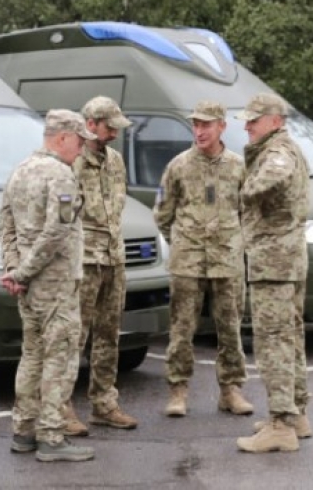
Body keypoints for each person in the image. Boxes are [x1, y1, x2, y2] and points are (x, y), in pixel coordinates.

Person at [0, 109, 96, 462]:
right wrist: (22, 272)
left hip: (29, 286)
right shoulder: (61, 175)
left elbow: (5, 225)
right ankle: (51, 437)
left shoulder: (20, 171)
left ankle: (23, 431)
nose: (82, 149)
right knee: (60, 356)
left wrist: (14, 269)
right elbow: (57, 231)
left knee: (32, 355)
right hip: (54, 284)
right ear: (64, 137)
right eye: (81, 141)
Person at [153, 100, 252, 418]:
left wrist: (237, 243)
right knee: (182, 328)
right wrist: (182, 242)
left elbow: (249, 213)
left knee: (230, 328)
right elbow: (163, 214)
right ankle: (178, 390)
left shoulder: (238, 166)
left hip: (227, 260)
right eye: (196, 124)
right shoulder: (179, 166)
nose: (200, 131)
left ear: (222, 126)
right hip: (188, 262)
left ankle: (231, 390)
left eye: (206, 124)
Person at [235, 92, 310, 453]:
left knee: (273, 341)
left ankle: (281, 424)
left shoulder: (278, 151)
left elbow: (274, 178)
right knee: (291, 336)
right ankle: (295, 414)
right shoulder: (289, 148)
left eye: (254, 119)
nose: (248, 126)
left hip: (273, 261)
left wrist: (245, 190)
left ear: (275, 120)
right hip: (286, 259)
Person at [61, 96, 138, 436]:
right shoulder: (72, 162)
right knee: (74, 336)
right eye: (110, 128)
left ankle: (104, 403)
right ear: (90, 125)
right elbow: (63, 217)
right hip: (83, 260)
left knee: (108, 334)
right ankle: (60, 406)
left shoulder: (115, 161)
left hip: (113, 257)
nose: (114, 134)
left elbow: (117, 207)